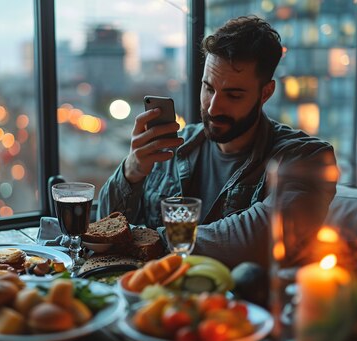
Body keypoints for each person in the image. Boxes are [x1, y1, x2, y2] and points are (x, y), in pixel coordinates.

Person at [97, 16, 337, 269]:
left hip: (241, 305)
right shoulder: (174, 144)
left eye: (233, 95)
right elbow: (102, 230)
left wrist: (157, 241)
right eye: (208, 88)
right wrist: (131, 172)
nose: (213, 107)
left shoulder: (307, 157)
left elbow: (261, 234)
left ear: (265, 93)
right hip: (156, 299)